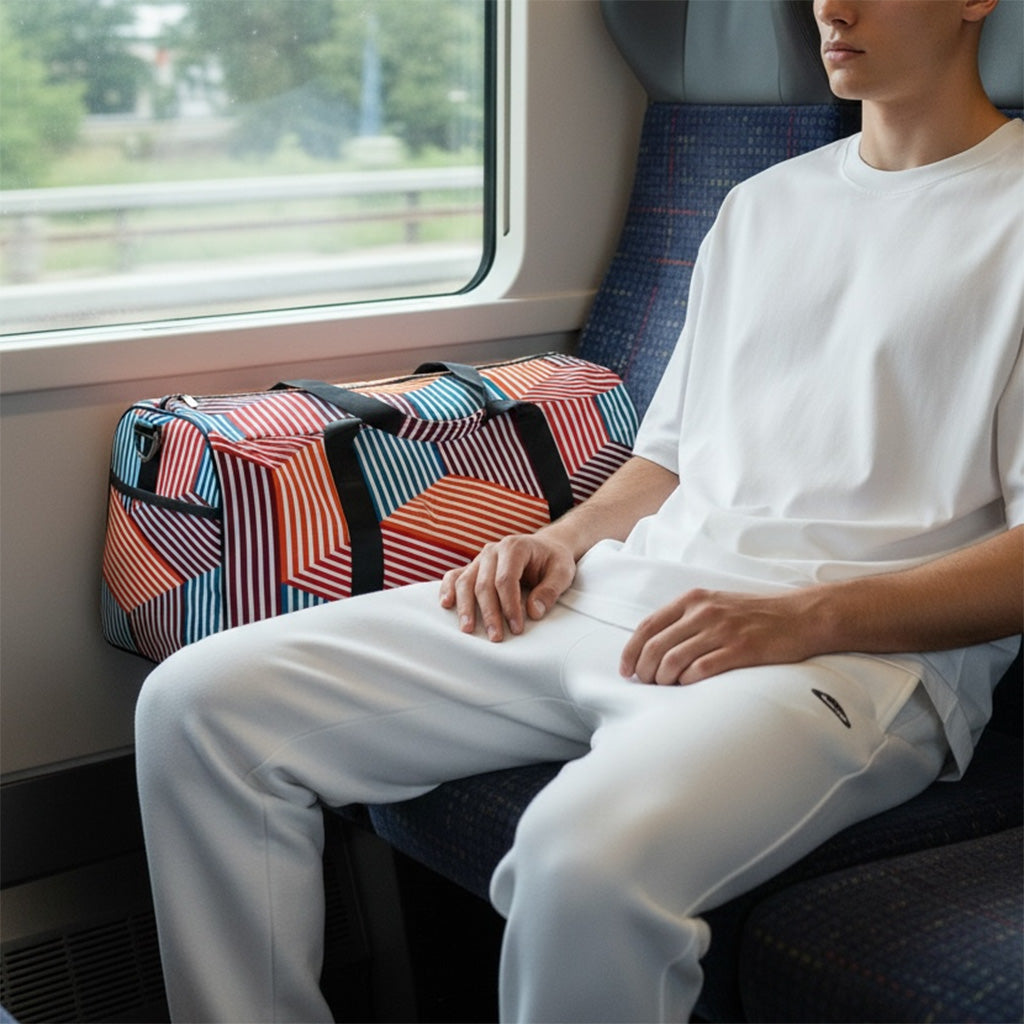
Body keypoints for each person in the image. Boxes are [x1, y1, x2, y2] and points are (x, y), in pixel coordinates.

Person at [135, 1, 1023, 1021]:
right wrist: (551, 541)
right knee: (199, 708)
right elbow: (668, 461)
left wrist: (804, 617)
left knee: (577, 862)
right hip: (626, 597)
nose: (830, 4)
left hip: (841, 659)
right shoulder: (761, 206)